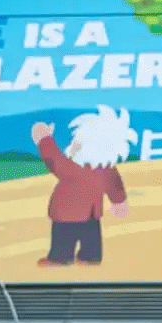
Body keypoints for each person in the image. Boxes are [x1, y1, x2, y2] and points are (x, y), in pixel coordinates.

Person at [30, 106, 132, 267]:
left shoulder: (72, 167)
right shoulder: (106, 170)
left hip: (66, 215)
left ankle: (62, 258)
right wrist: (119, 202)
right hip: (92, 214)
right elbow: (115, 187)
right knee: (91, 239)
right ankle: (90, 257)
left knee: (64, 241)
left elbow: (53, 158)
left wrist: (44, 139)